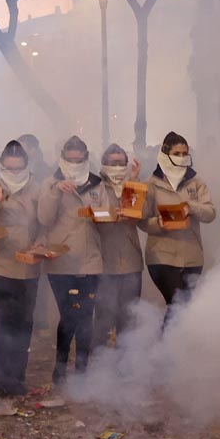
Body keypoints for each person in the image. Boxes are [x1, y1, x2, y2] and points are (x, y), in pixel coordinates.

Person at [38, 136, 105, 384]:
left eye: (80, 159)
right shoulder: (50, 182)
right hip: (61, 260)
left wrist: (97, 214)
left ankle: (83, 369)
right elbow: (43, 218)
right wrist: (56, 192)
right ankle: (60, 367)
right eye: (71, 159)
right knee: (68, 314)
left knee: (86, 315)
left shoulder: (97, 183)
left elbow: (106, 214)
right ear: (63, 158)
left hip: (91, 259)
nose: (75, 164)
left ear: (87, 158)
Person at [0, 140, 40, 397]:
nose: (14, 173)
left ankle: (18, 375)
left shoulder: (36, 188)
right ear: (1, 165)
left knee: (25, 321)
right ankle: (4, 379)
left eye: (19, 168)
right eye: (9, 168)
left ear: (26, 166)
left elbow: (45, 219)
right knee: (5, 320)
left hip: (29, 264)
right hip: (0, 264)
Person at [142, 132, 216, 315]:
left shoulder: (196, 182)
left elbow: (210, 213)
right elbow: (141, 220)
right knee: (177, 306)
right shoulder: (151, 184)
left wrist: (190, 207)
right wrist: (159, 223)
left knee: (186, 308)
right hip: (162, 256)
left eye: (185, 154)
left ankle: (178, 343)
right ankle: (167, 344)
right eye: (177, 154)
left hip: (192, 254)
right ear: (166, 154)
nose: (182, 158)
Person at [93, 144, 143, 344]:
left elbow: (138, 216)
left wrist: (134, 180)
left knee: (128, 316)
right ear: (104, 164)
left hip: (131, 260)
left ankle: (126, 363)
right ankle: (98, 362)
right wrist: (110, 214)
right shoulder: (95, 186)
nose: (117, 167)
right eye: (113, 163)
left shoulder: (133, 186)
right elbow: (89, 215)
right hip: (104, 261)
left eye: (121, 163)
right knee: (104, 316)